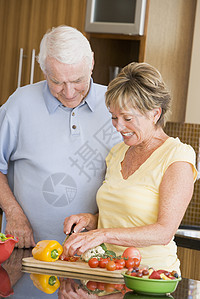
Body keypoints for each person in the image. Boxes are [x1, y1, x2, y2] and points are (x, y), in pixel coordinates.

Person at [62, 62, 197, 273]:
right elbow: (120, 218)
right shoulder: (117, 152)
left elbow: (164, 232)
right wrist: (91, 220)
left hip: (151, 276)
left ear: (155, 114)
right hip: (108, 271)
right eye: (114, 117)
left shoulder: (177, 156)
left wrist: (103, 235)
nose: (118, 126)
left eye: (127, 118)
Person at [0, 25, 121, 248]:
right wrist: (13, 212)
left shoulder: (117, 106)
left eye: (77, 81)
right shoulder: (19, 104)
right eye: (57, 82)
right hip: (27, 249)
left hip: (95, 255)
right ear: (44, 70)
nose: (69, 92)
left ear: (91, 63)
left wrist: (94, 220)